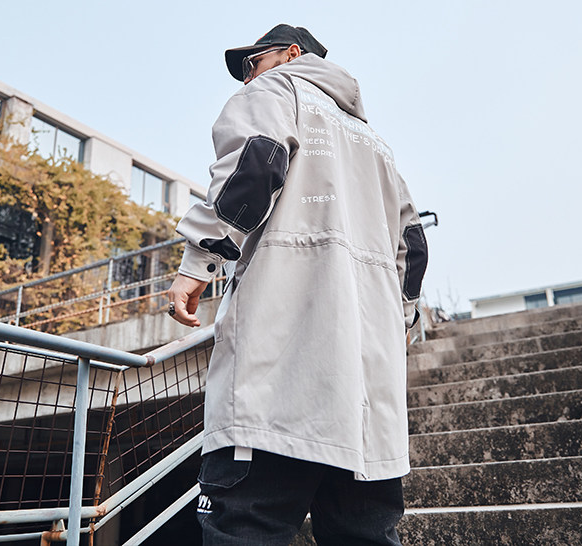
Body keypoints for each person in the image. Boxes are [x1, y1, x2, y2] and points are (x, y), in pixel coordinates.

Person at [167, 24, 428, 545]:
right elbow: (414, 245)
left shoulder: (276, 90)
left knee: (246, 530)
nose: (248, 78)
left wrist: (198, 259)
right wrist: (400, 321)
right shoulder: (375, 143)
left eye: (253, 63)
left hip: (278, 380)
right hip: (367, 409)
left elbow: (256, 162)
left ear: (291, 54)